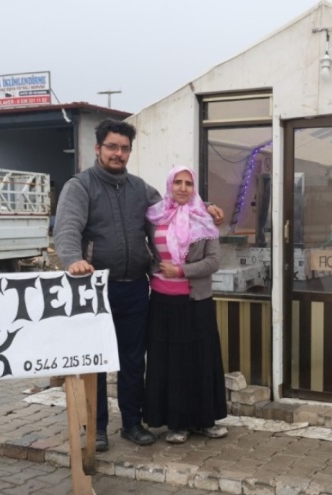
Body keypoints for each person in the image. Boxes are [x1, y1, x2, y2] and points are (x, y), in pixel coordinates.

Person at [53, 120, 222, 451]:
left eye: (124, 148)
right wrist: (73, 259)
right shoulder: (80, 186)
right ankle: (97, 428)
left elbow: (176, 206)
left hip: (135, 289)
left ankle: (132, 422)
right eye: (112, 147)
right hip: (96, 288)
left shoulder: (140, 188)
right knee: (98, 361)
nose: (118, 154)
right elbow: (68, 228)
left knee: (133, 360)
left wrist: (207, 207)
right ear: (98, 148)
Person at [144, 166, 228, 444]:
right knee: (170, 363)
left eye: (188, 184)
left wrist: (181, 271)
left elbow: (214, 262)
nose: (182, 188)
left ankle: (205, 420)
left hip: (196, 301)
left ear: (195, 190)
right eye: (177, 182)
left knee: (200, 360)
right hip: (162, 302)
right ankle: (175, 424)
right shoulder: (154, 217)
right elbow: (143, 250)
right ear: (169, 186)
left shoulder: (204, 219)